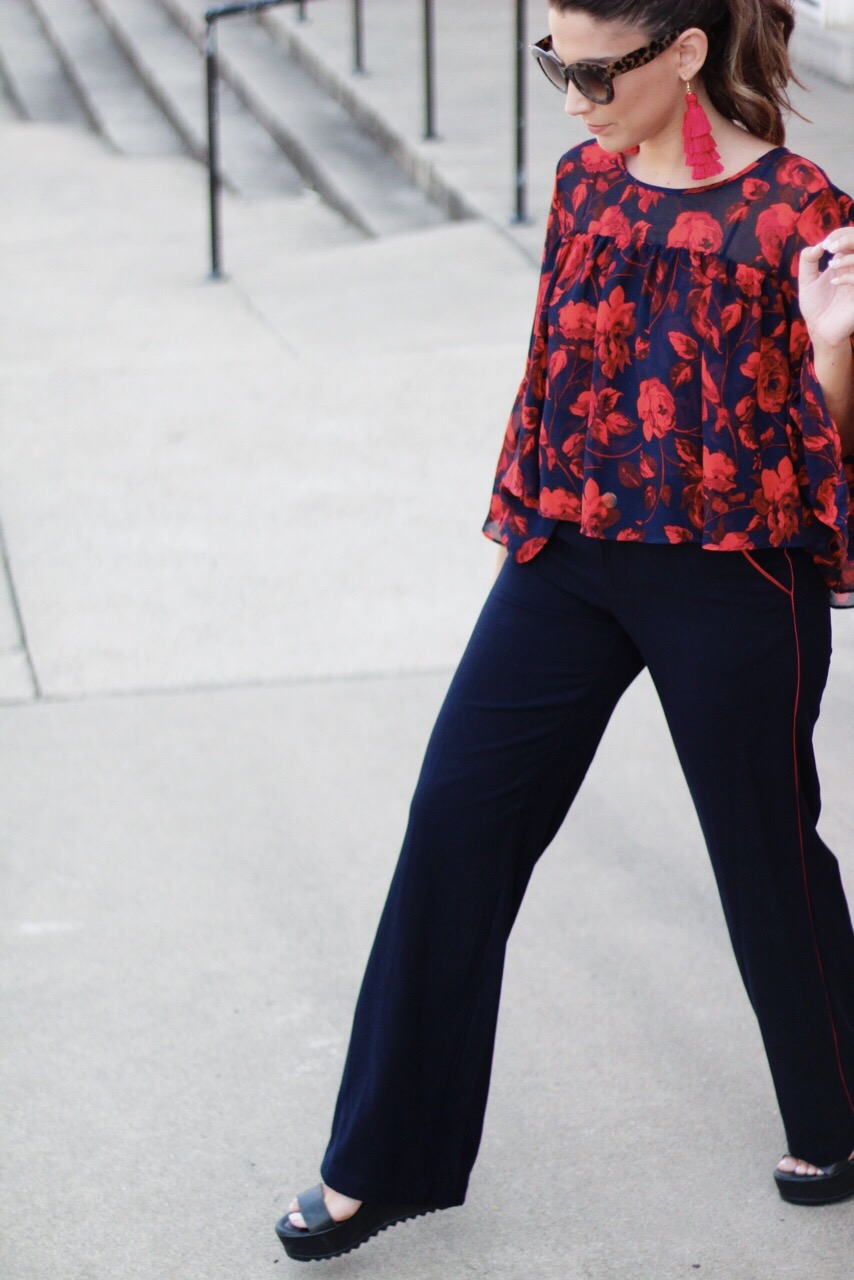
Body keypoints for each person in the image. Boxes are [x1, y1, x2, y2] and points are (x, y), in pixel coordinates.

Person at [276, 0, 854, 1261]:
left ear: (683, 53)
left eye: (595, 72)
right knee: (454, 822)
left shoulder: (796, 210)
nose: (575, 96)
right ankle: (378, 1160)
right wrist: (522, 536)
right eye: (555, 66)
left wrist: (832, 344)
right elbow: (555, 376)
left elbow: (825, 442)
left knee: (763, 854)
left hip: (732, 574)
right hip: (571, 557)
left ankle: (838, 1110)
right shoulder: (582, 187)